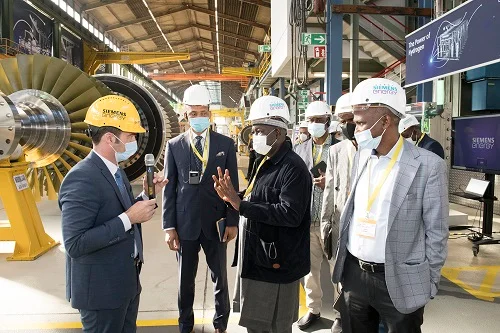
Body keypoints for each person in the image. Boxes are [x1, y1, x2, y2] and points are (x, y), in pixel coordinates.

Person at [332, 78, 449, 333]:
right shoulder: (362, 156)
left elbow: (436, 231)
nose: (355, 130)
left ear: (386, 121)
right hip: (354, 275)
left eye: (361, 123)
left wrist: (430, 282)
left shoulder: (428, 166)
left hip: (399, 279)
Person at [59, 95, 168, 332]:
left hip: (125, 284)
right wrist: (129, 218)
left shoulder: (115, 172)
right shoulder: (82, 178)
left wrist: (149, 194)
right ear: (111, 137)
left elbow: (121, 210)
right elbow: (75, 243)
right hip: (101, 293)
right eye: (130, 136)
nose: (135, 141)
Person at [213, 95, 312, 333]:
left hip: (277, 266)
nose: (253, 136)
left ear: (277, 133)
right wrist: (234, 196)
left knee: (275, 326)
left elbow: (290, 214)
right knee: (257, 326)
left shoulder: (293, 168)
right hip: (260, 260)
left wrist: (241, 205)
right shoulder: (264, 160)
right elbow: (260, 194)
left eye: (258, 130)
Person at [162, 84, 239, 333]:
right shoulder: (174, 146)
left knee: (220, 279)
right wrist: (169, 226)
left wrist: (231, 221)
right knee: (185, 280)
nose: (198, 117)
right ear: (185, 114)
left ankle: (221, 322)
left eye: (202, 112)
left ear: (210, 113)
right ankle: (185, 323)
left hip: (216, 223)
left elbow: (233, 187)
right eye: (193, 113)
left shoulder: (225, 145)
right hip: (185, 226)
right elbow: (169, 188)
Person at [293, 100, 338, 330]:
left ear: (328, 122)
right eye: (311, 121)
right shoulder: (299, 149)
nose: (314, 124)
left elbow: (348, 182)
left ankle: (341, 313)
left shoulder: (341, 148)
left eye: (319, 120)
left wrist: (329, 183)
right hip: (307, 220)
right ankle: (314, 309)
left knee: (336, 269)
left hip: (330, 221)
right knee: (309, 271)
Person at [320, 93, 357, 333]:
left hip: (364, 228)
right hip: (340, 222)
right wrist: (325, 224)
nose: (345, 126)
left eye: (350, 119)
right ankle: (340, 314)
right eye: (341, 120)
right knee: (339, 273)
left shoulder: (374, 149)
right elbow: (330, 191)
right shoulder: (336, 151)